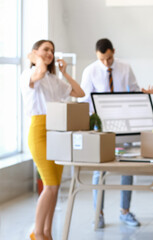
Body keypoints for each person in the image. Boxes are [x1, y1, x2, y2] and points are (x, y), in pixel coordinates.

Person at [21, 40, 85, 240]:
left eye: (52, 50)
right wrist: (36, 59)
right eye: (45, 50)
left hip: (57, 132)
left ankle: (47, 232)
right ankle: (37, 232)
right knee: (49, 184)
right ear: (35, 54)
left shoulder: (53, 79)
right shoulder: (30, 75)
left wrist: (64, 73)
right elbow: (38, 73)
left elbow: (79, 93)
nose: (49, 53)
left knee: (55, 186)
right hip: (39, 132)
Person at [78, 38, 141, 228]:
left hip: (123, 124)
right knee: (100, 170)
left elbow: (135, 91)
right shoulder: (90, 70)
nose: (106, 63)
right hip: (101, 127)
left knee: (128, 166)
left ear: (114, 51)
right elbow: (84, 100)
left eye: (109, 58)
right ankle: (99, 213)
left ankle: (125, 211)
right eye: (102, 59)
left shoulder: (125, 67)